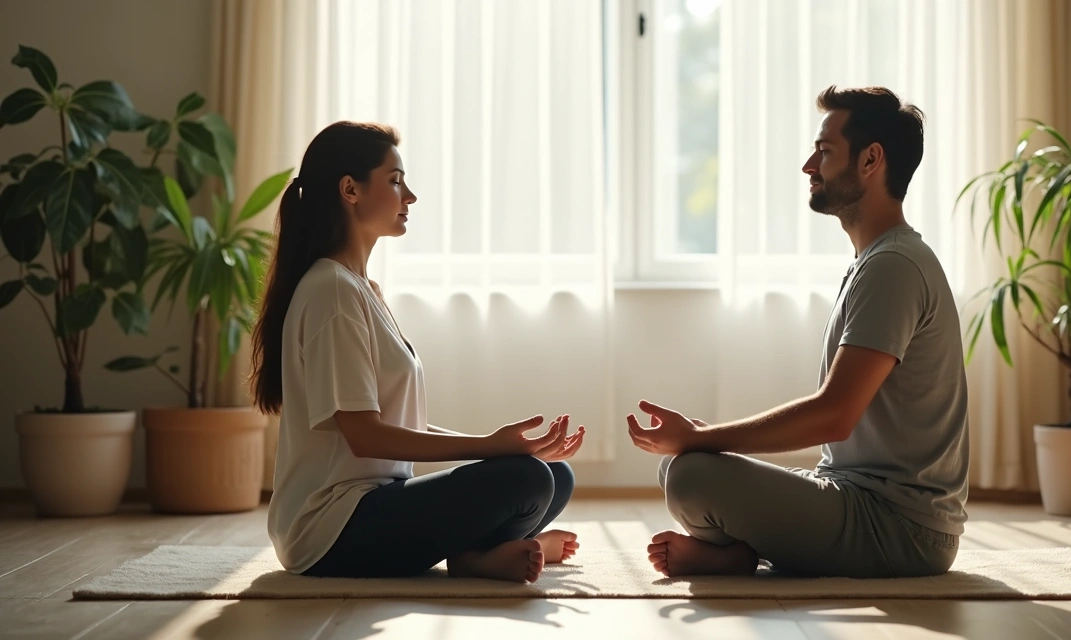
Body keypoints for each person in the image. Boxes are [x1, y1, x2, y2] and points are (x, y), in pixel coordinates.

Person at [626, 86, 970, 579]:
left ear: (871, 160)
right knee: (680, 464)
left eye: (825, 151)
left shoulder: (893, 266)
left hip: (902, 529)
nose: (810, 166)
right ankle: (740, 554)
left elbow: (834, 415)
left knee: (691, 472)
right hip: (854, 497)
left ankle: (741, 551)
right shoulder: (876, 260)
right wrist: (702, 440)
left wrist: (704, 437)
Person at [251, 121, 585, 583]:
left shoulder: (361, 288)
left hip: (378, 502)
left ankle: (479, 553)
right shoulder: (332, 291)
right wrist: (489, 447)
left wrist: (498, 447)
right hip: (331, 530)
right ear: (350, 190)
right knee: (527, 480)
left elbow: (393, 423)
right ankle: (476, 554)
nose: (409, 196)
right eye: (395, 181)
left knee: (553, 473)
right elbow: (366, 436)